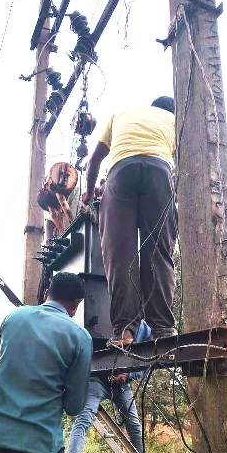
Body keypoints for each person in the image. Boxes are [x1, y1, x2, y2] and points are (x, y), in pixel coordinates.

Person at [0, 272, 93, 453]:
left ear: (48, 291)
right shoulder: (79, 337)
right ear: (75, 305)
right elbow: (74, 406)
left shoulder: (12, 319)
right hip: (41, 451)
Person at [82, 96, 177, 343]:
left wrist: (90, 193)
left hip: (120, 172)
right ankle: (163, 329)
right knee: (158, 253)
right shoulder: (175, 121)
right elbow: (187, 167)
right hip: (160, 170)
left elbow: (94, 160)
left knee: (120, 256)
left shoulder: (122, 113)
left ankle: (124, 330)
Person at [65, 321, 152, 453]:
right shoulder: (101, 316)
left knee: (134, 425)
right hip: (97, 379)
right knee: (83, 419)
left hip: (121, 384)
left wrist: (128, 375)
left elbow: (148, 360)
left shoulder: (145, 329)